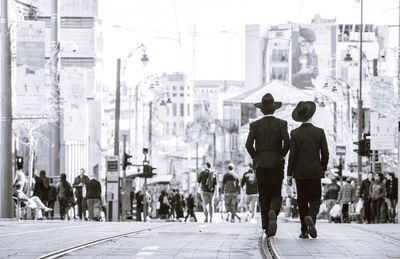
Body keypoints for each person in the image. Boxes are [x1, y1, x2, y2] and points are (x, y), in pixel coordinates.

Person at [245, 93, 290, 237]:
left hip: (260, 164)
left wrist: (256, 157)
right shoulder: (282, 124)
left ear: (261, 110)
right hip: (277, 163)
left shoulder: (255, 125)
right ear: (274, 109)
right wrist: (281, 155)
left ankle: (265, 224)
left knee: (263, 194)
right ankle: (273, 212)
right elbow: (287, 143)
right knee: (276, 192)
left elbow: (248, 145)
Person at [287, 101, 329, 239]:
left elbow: (292, 154)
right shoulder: (319, 132)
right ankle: (311, 217)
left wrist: (289, 173)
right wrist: (321, 168)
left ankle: (304, 231)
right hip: (315, 172)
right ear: (312, 115)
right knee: (315, 199)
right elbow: (325, 153)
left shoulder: (294, 133)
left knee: (302, 201)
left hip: (299, 173)